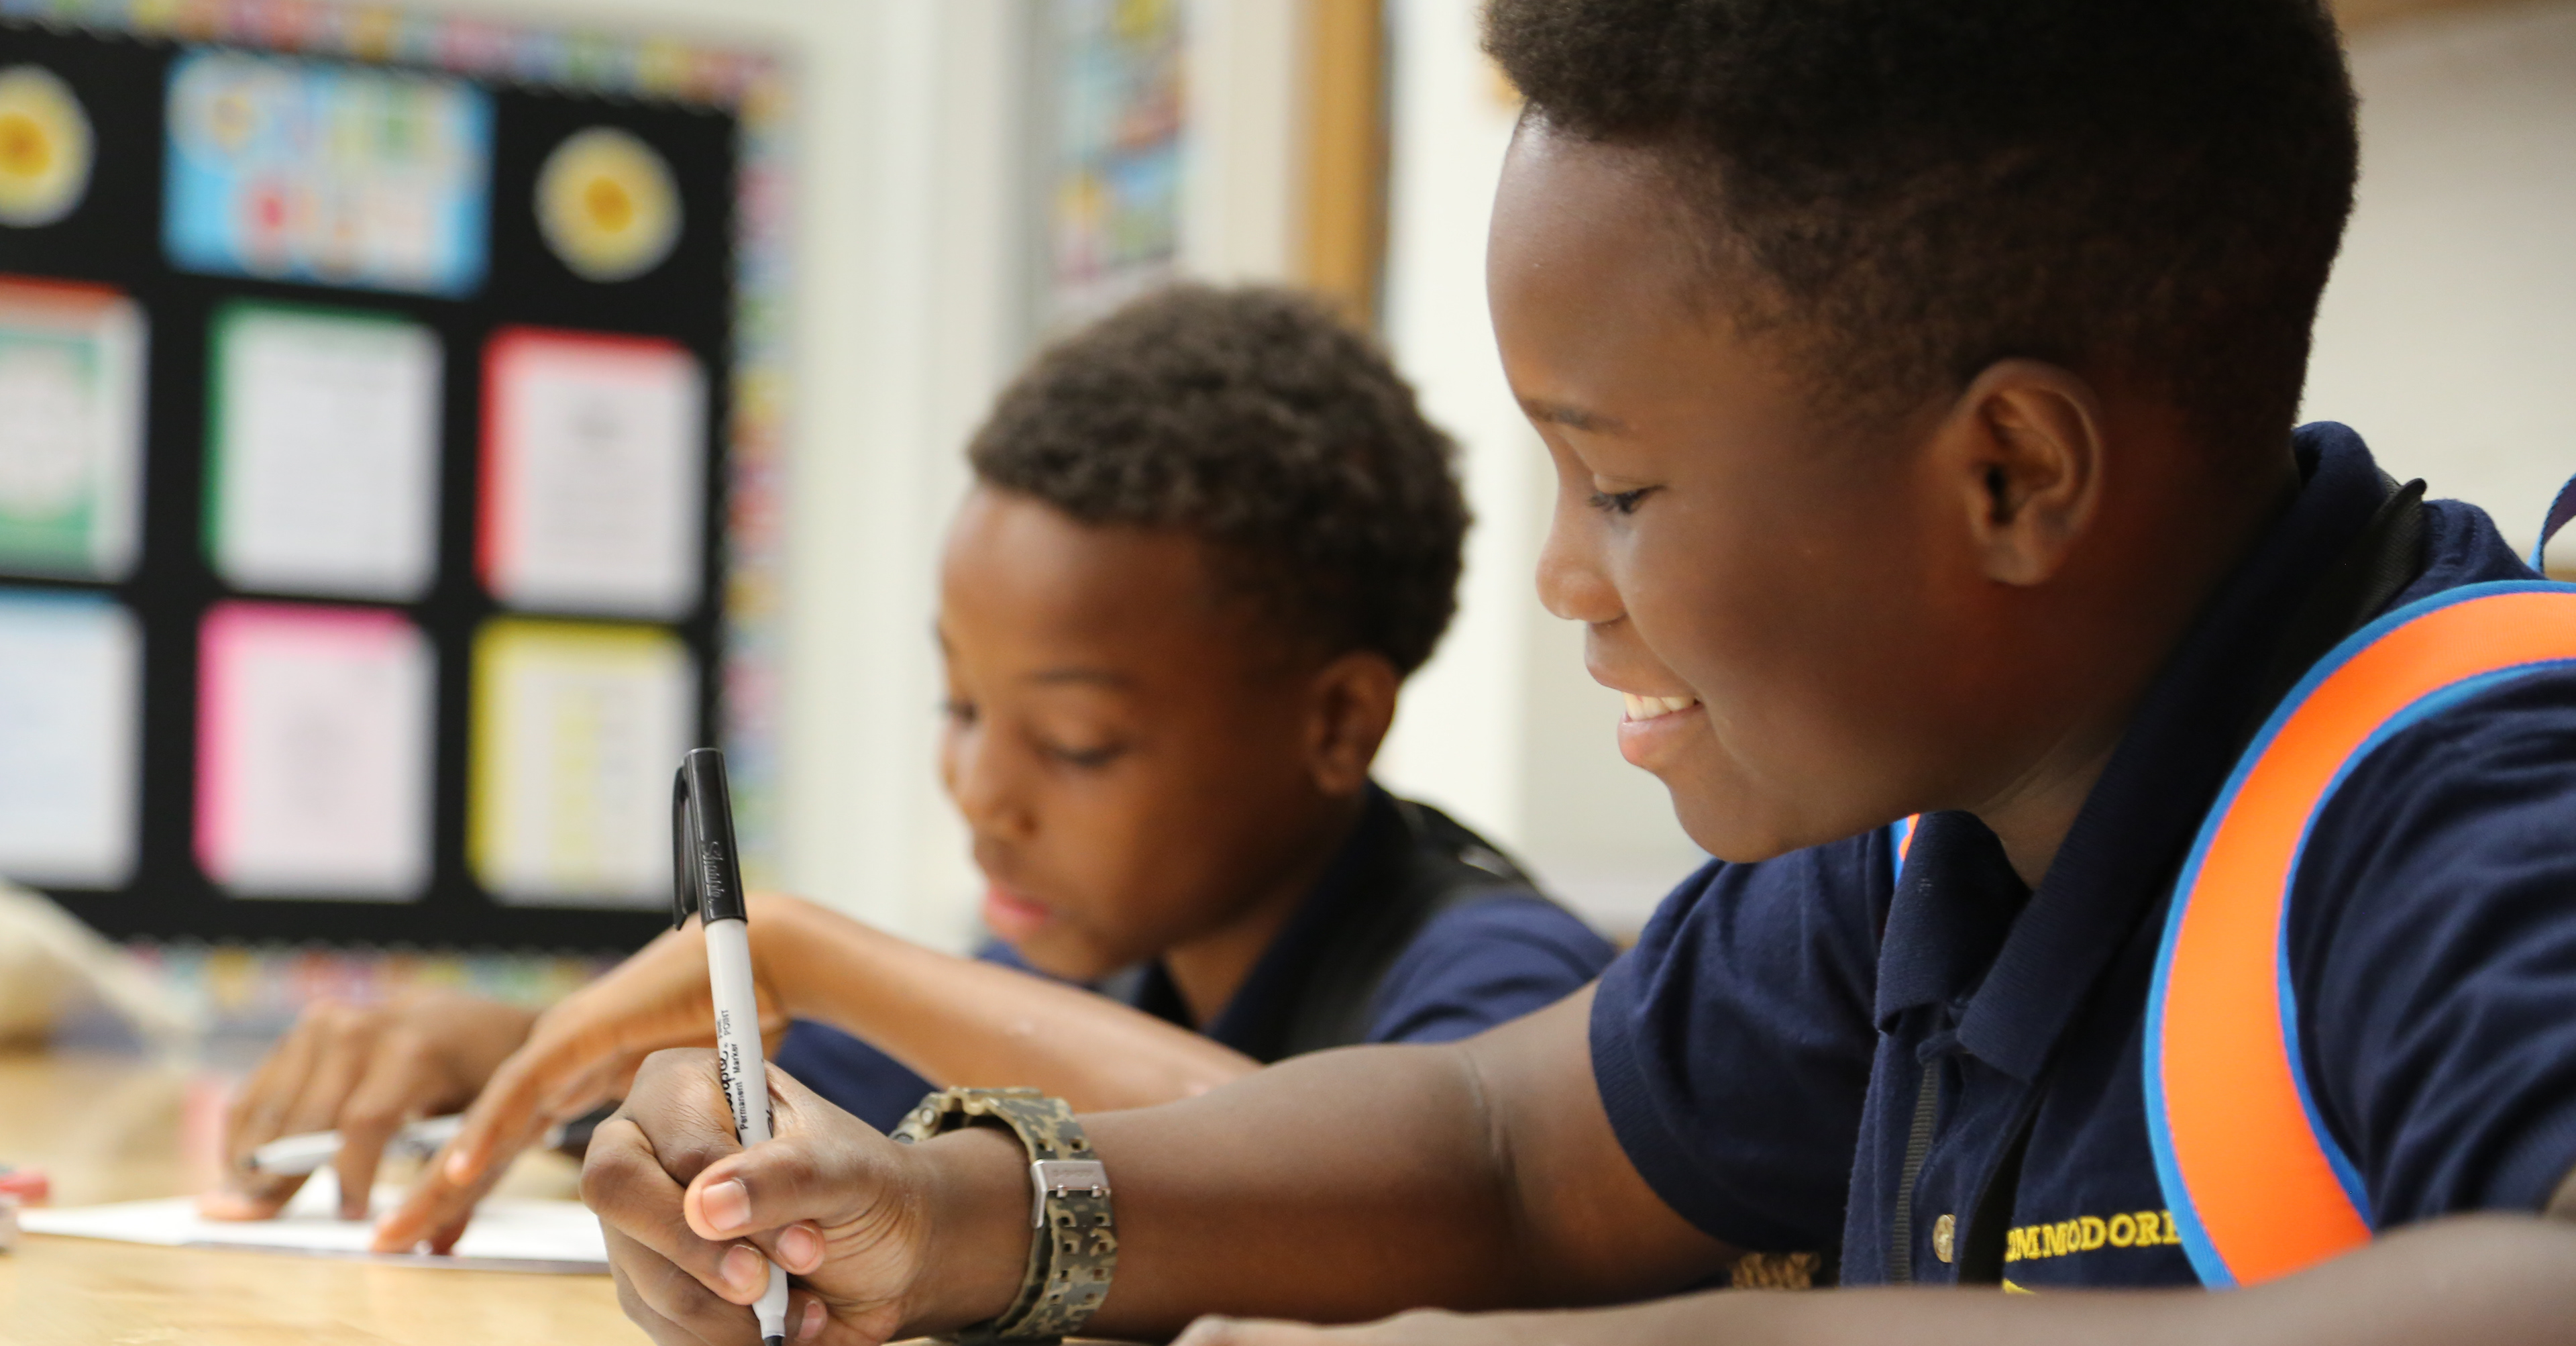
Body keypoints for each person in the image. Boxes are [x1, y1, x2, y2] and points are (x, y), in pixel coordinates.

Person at [581, 0, 2576, 1346]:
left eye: (1617, 487)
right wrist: (941, 1219)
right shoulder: (1923, 838)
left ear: (2010, 474)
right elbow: (1506, 1148)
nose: (1560, 577)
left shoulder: (2471, 798)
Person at [209, 284, 1613, 1248]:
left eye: (1075, 742)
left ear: (1336, 723)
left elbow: (1391, 1190)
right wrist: (515, 1053)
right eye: (959, 705)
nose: (980, 790)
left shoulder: (1506, 983)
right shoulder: (1091, 961)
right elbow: (794, 1075)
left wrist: (811, 953)